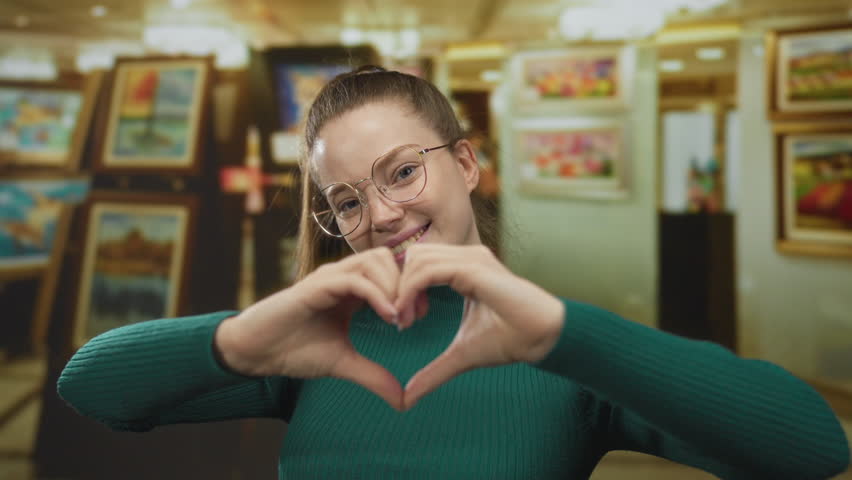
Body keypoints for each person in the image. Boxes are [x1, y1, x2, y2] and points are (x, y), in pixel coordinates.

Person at [58, 66, 850, 479]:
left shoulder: (561, 354)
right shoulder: (315, 349)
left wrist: (565, 334)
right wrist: (235, 337)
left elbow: (811, 448)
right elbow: (90, 387)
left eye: (402, 172)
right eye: (346, 200)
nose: (382, 214)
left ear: (466, 164)